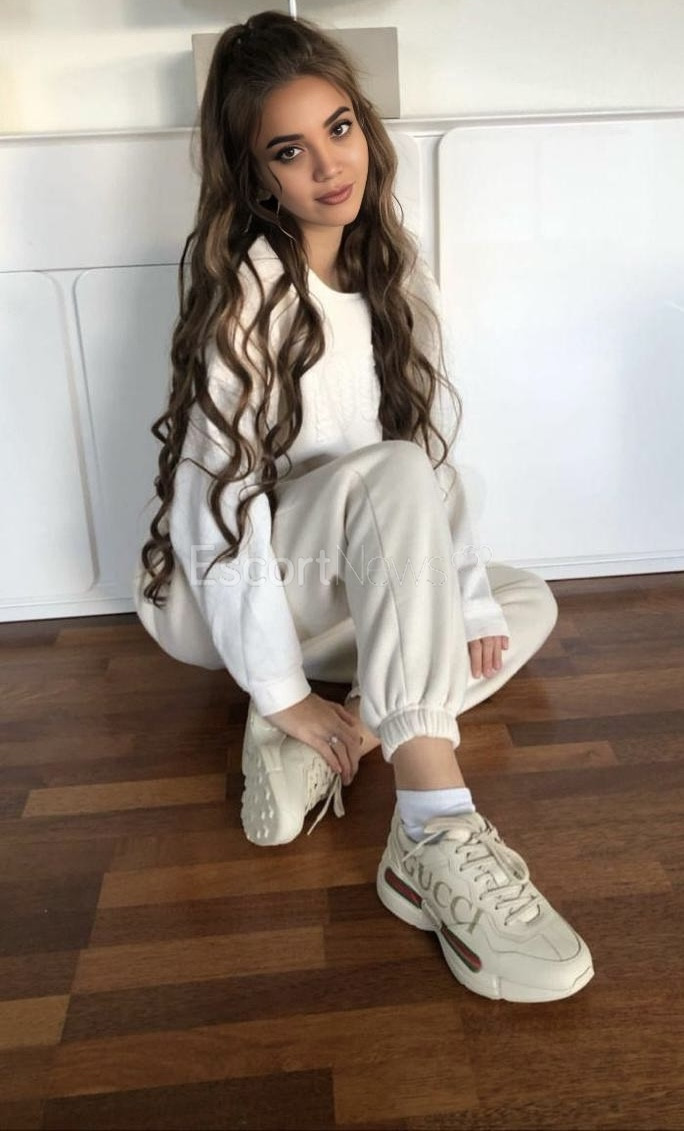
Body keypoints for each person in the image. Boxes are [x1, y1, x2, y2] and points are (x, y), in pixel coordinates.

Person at [133, 10, 594, 1003]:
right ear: (259, 176)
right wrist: (277, 685)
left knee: (523, 604)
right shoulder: (251, 293)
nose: (327, 165)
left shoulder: (392, 276)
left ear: (364, 128)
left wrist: (467, 602)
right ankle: (431, 827)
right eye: (290, 150)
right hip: (239, 586)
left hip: (343, 576)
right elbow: (218, 511)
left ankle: (339, 737)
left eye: (339, 128)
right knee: (391, 478)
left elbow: (431, 469)